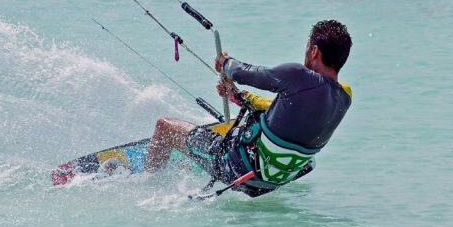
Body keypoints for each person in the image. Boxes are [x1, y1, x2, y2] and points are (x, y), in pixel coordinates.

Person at [143, 20, 354, 197]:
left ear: (314, 51)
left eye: (308, 47)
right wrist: (237, 96)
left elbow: (243, 73)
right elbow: (278, 107)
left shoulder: (298, 76)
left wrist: (226, 62)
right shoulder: (344, 97)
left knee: (164, 126)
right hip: (271, 181)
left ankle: (146, 183)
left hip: (237, 168)